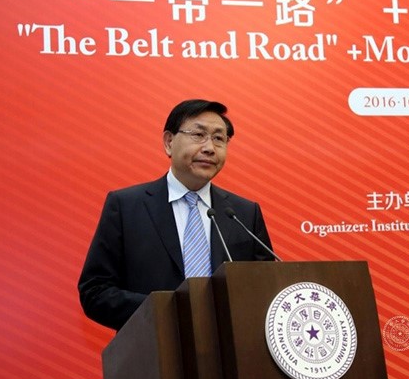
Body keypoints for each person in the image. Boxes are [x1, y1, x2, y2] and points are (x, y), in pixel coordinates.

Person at [78, 99, 274, 330]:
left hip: (231, 348)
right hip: (154, 345)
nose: (210, 148)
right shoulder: (126, 206)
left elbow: (266, 288)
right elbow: (95, 292)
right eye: (198, 135)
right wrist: (168, 311)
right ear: (169, 142)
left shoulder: (244, 213)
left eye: (219, 138)